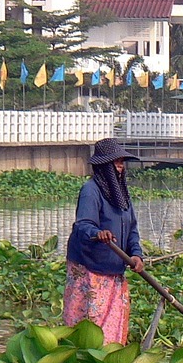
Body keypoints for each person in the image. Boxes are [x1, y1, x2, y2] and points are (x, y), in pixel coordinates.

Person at [63, 137, 145, 344]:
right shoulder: (91, 190)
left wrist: (136, 254)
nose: (120, 167)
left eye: (121, 162)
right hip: (90, 267)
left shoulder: (122, 195)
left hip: (114, 268)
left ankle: (109, 360)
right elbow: (83, 224)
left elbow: (132, 228)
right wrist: (98, 233)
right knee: (90, 322)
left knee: (112, 324)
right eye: (116, 162)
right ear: (104, 166)